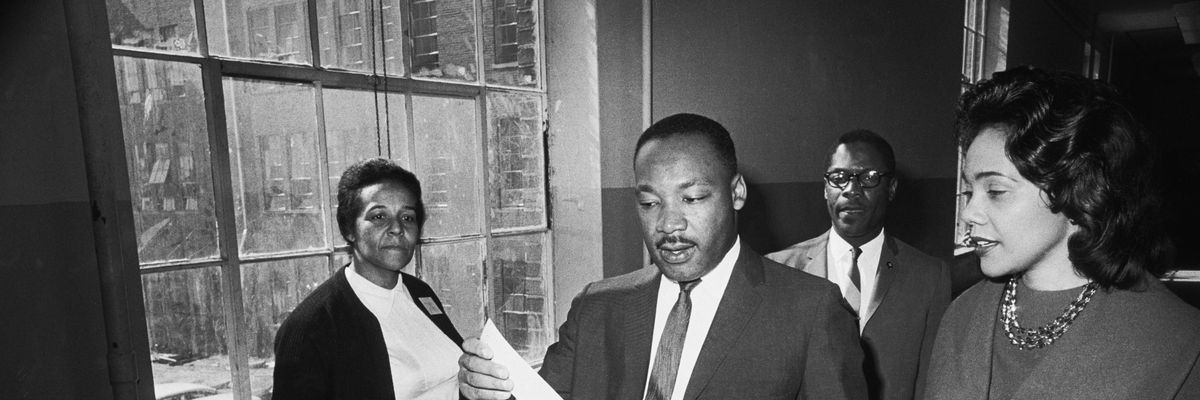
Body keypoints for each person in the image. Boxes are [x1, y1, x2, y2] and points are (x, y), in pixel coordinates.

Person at [459, 113, 867, 400]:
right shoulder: (596, 307)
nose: (669, 224)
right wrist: (484, 391)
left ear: (736, 192)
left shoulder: (811, 311)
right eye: (650, 203)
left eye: (692, 198)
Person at [924, 66, 1200, 399]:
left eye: (995, 191)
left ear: (1077, 190)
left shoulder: (1178, 341)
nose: (968, 213)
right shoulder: (961, 315)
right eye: (970, 191)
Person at [767, 130, 951, 400]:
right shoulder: (778, 270)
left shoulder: (930, 276)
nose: (851, 190)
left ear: (891, 188)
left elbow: (930, 385)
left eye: (868, 178)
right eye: (839, 178)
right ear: (825, 188)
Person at [273, 158, 463, 399]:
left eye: (407, 217)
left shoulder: (420, 292)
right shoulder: (308, 328)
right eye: (379, 217)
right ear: (349, 229)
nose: (397, 228)